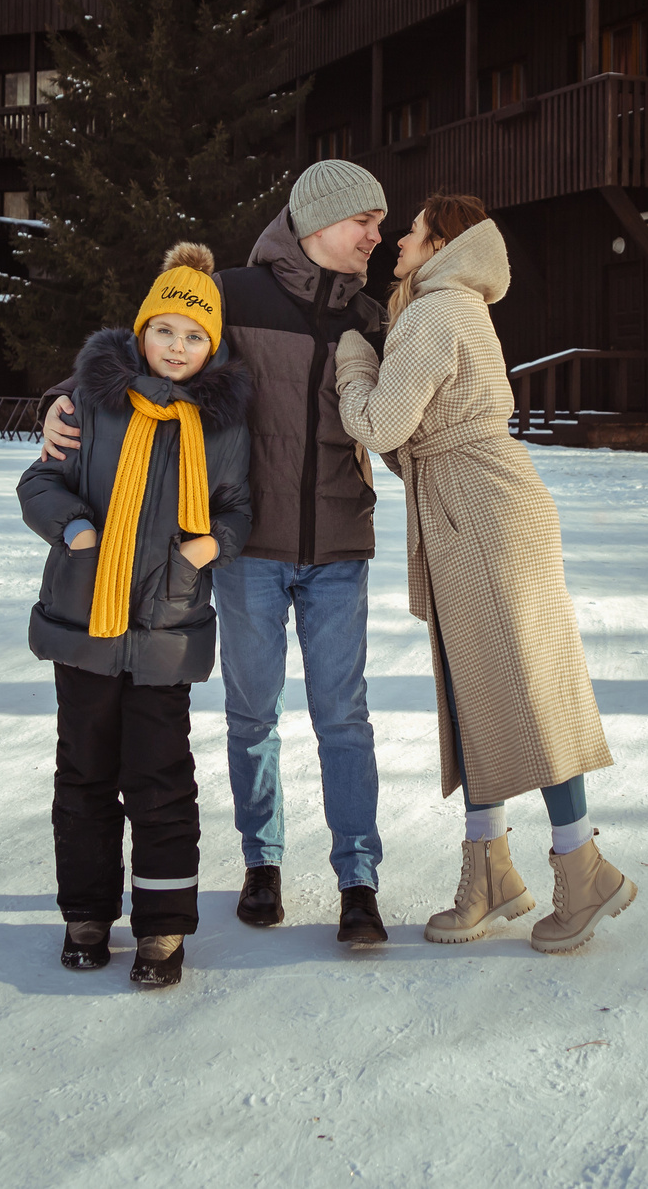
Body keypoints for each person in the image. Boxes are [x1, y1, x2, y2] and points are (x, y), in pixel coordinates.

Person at [43, 161, 392, 947]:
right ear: (317, 221)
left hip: (340, 547)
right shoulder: (235, 294)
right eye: (364, 220)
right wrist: (56, 405)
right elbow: (144, 358)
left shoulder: (371, 317)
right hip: (248, 549)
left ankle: (358, 879)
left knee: (345, 717)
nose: (377, 235)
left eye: (381, 223)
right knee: (251, 714)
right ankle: (261, 861)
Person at [333, 194, 635, 955]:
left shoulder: (436, 312)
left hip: (481, 510)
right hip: (476, 503)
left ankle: (582, 866)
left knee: (529, 690)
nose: (399, 238)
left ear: (440, 242)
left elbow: (378, 425)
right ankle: (491, 869)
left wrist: (352, 362)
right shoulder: (446, 307)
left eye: (412, 228)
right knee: (479, 690)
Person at [18, 242, 253, 990]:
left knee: (160, 778)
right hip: (85, 622)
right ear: (140, 330)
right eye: (166, 331)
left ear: (210, 346)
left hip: (166, 628)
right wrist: (77, 531)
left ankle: (160, 929)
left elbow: (240, 508)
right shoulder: (91, 400)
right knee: (83, 773)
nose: (178, 348)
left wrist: (208, 546)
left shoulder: (222, 424)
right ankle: (86, 915)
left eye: (194, 337)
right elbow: (39, 479)